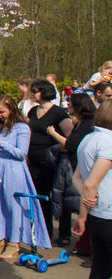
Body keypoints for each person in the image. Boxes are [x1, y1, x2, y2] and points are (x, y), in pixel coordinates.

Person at [0, 95, 51, 260]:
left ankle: (14, 243)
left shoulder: (22, 128)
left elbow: (21, 154)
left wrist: (1, 143)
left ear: (11, 110)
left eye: (2, 112)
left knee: (13, 206)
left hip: (13, 171)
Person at [72, 101, 112, 279]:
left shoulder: (89, 138)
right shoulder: (108, 142)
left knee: (99, 274)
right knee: (100, 274)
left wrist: (85, 210)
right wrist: (87, 204)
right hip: (107, 215)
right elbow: (88, 183)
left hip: (98, 215)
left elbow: (78, 178)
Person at [26, 78, 73, 239]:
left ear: (45, 92)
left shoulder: (59, 112)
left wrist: (53, 134)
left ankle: (64, 233)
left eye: (36, 91)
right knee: (40, 195)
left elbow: (70, 137)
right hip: (34, 160)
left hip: (53, 160)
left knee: (58, 195)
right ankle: (45, 231)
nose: (33, 94)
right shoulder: (33, 111)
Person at [55, 94, 96, 248]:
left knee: (82, 203)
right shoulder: (80, 123)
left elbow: (71, 144)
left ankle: (87, 244)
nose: (68, 105)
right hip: (74, 167)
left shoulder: (87, 124)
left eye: (70, 103)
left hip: (82, 169)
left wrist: (52, 133)